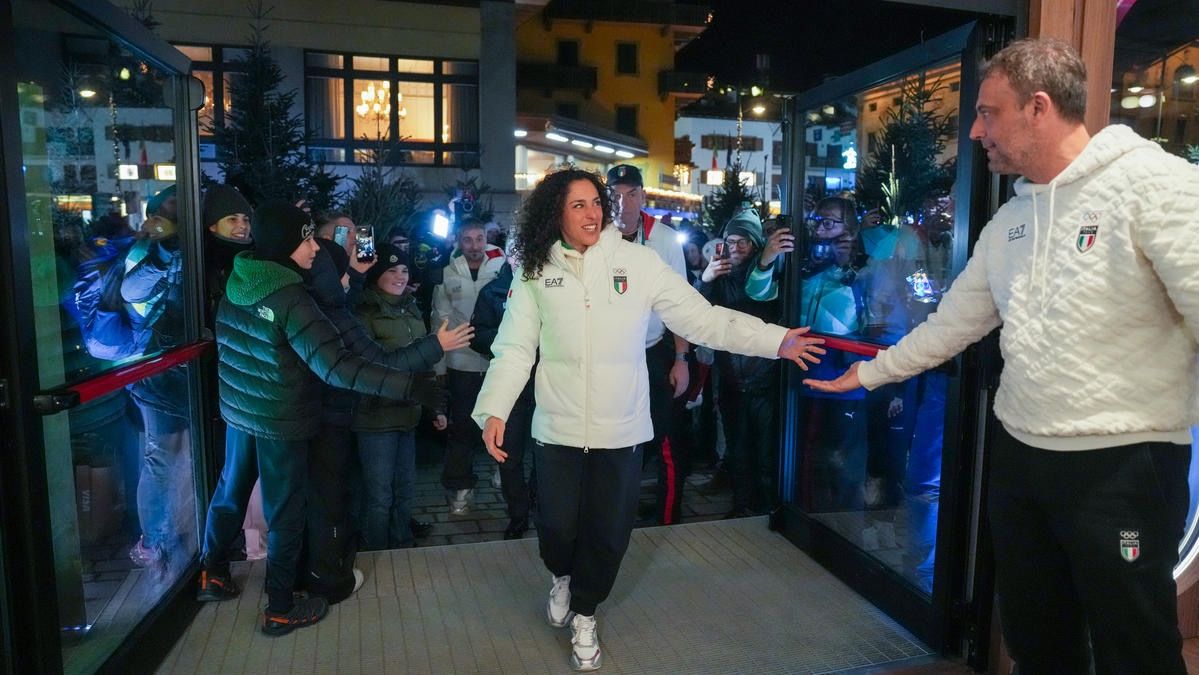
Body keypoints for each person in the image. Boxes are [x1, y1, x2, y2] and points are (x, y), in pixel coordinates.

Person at [806, 38, 1199, 674]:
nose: (974, 131)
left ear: (1038, 107)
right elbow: (950, 325)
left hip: (1124, 468)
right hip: (1020, 459)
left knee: (1137, 648)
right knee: (1036, 641)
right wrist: (870, 373)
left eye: (988, 113)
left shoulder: (1157, 187)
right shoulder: (1012, 220)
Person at [472, 168, 827, 671]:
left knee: (609, 532)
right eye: (578, 205)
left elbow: (704, 319)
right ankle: (562, 577)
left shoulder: (637, 263)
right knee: (556, 526)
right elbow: (513, 349)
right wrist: (495, 408)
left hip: (621, 428)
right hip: (558, 427)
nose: (592, 213)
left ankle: (586, 613)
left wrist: (777, 339)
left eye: (597, 202)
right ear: (555, 213)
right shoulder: (536, 271)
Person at [198, 201, 470, 636]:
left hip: (241, 413)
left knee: (230, 492)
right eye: (306, 241)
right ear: (284, 245)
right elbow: (337, 367)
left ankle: (211, 571)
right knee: (286, 514)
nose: (314, 248)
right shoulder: (291, 296)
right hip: (281, 419)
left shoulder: (240, 280)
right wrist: (409, 387)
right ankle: (280, 607)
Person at [607, 164, 691, 525]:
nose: (623, 203)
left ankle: (666, 516)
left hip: (654, 350)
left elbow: (680, 305)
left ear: (642, 196)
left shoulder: (664, 239)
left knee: (665, 434)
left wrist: (682, 358)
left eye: (631, 194)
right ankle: (614, 512)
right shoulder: (596, 236)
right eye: (615, 195)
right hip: (609, 355)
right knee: (614, 438)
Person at [352, 243, 450, 550]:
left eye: (404, 270)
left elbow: (423, 362)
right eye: (391, 270)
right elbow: (372, 367)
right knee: (379, 495)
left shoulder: (411, 308)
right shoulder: (363, 313)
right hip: (375, 418)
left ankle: (403, 547)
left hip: (408, 414)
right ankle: (377, 553)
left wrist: (435, 407)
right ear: (376, 275)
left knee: (405, 489)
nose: (400, 276)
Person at [699, 207, 793, 518]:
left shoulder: (768, 274)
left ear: (755, 244)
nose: (736, 248)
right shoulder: (719, 276)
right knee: (738, 451)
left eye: (744, 242)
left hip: (764, 380)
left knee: (766, 453)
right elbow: (695, 312)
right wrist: (706, 278)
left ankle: (767, 509)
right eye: (731, 241)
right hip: (730, 379)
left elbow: (762, 302)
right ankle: (741, 507)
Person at [121, 185, 190, 577]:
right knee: (162, 457)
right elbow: (133, 292)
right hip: (158, 371)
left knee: (177, 456)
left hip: (180, 368)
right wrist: (165, 252)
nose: (181, 208)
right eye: (173, 202)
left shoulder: (190, 246)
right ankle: (153, 541)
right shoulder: (150, 249)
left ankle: (170, 536)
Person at [432, 218, 506, 514]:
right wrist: (439, 367)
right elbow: (439, 321)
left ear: (487, 239)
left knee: (503, 424)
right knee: (461, 428)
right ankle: (460, 487)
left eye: (479, 238)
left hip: (497, 361)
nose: (474, 246)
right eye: (468, 239)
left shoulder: (502, 268)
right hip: (461, 362)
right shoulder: (447, 272)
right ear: (459, 241)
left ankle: (503, 473)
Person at [469, 245, 536, 540]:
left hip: (546, 381)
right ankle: (518, 514)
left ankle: (538, 502)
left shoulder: (548, 286)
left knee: (547, 450)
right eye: (518, 253)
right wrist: (512, 340)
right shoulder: (493, 292)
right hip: (511, 384)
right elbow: (478, 333)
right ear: (509, 256)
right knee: (509, 453)